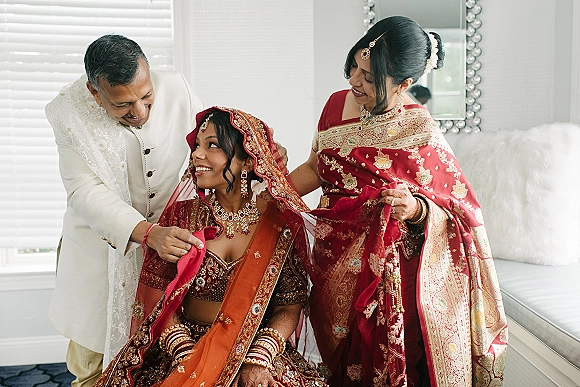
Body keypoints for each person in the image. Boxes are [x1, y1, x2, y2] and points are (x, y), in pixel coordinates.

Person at [288, 16, 508, 386]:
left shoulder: (419, 129)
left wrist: (416, 208)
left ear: (404, 84)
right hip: (333, 257)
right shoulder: (334, 105)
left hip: (391, 272)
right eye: (354, 67)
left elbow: (461, 210)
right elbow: (316, 167)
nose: (354, 82)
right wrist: (268, 196)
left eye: (370, 78)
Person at [94, 107, 326, 387]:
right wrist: (188, 356)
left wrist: (259, 357)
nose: (196, 155)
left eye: (212, 145)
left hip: (254, 347)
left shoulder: (279, 224)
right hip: (184, 344)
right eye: (197, 146)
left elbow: (289, 307)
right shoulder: (181, 218)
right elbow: (154, 295)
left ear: (247, 162)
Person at [45, 34, 207, 386]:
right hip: (98, 252)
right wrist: (148, 234)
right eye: (123, 106)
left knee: (162, 360)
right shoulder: (67, 113)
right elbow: (85, 191)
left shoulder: (176, 86)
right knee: (93, 363)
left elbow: (213, 141)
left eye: (147, 97)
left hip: (169, 251)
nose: (141, 112)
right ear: (94, 92)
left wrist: (259, 151)